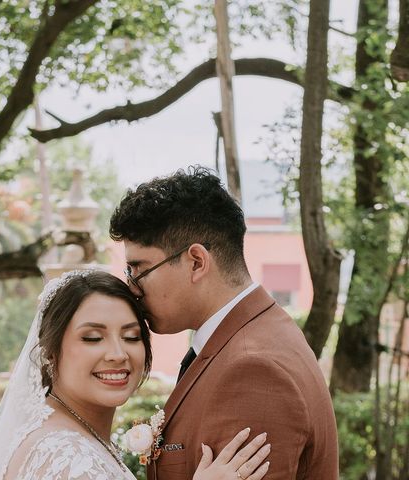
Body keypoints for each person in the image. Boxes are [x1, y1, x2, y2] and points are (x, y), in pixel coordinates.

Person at [109, 166, 339, 479]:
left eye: (139, 270)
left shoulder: (254, 371)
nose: (132, 288)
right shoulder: (254, 335)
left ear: (196, 262)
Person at [0, 270, 271, 479]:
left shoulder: (59, 433)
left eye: (131, 336)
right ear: (51, 351)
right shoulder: (66, 456)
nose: (118, 354)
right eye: (93, 338)